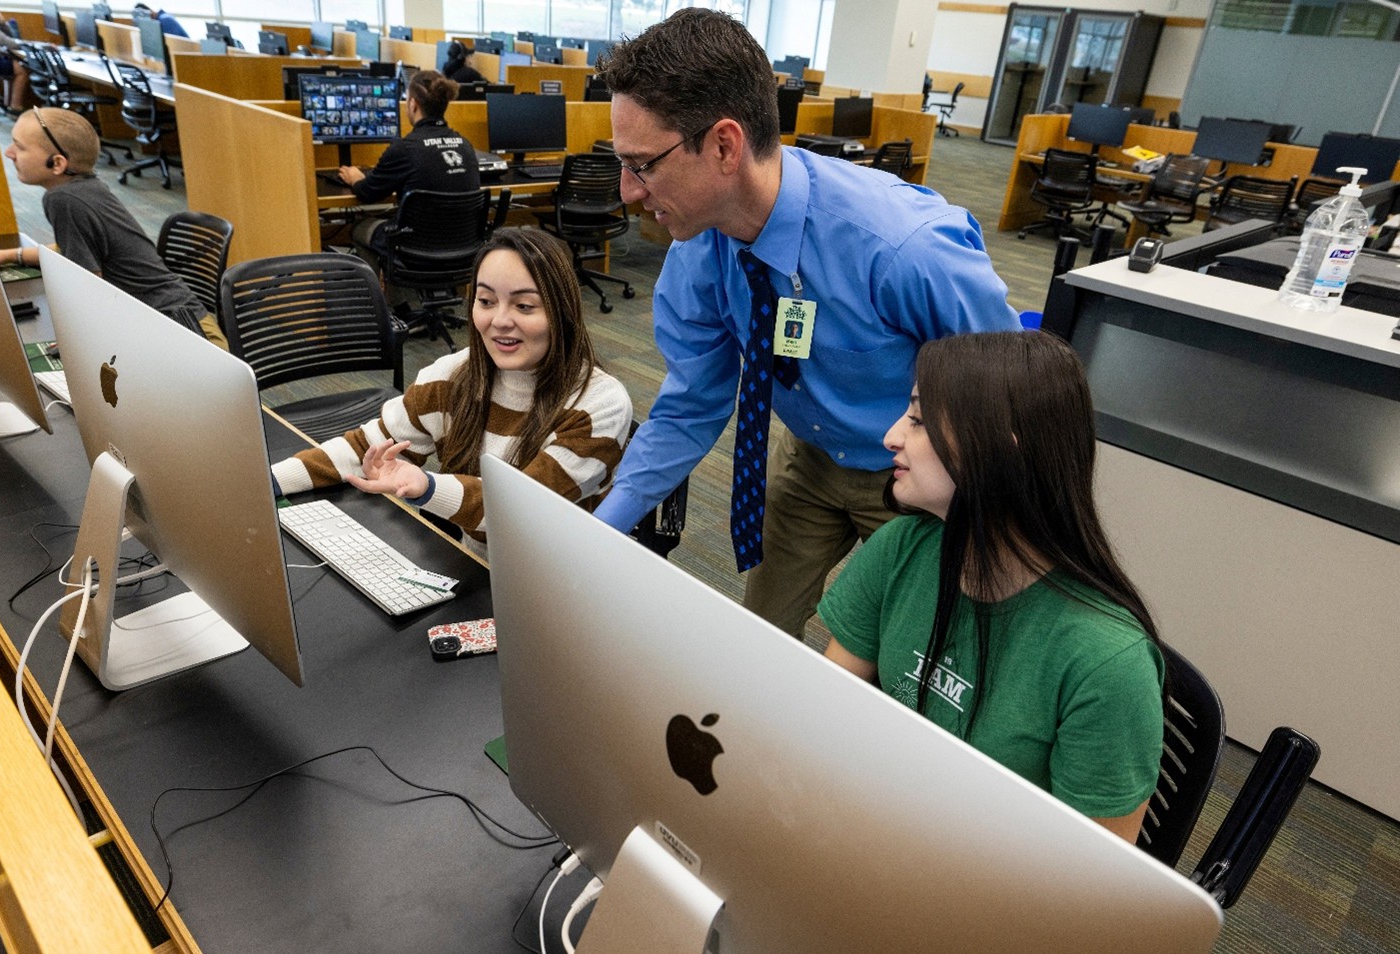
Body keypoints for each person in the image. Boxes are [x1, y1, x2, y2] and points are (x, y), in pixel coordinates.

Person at [592, 9, 1019, 637]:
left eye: (643, 165)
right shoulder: (698, 253)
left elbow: (1009, 399)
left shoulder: (902, 248)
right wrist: (601, 527)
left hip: (924, 476)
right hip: (811, 451)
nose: (628, 191)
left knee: (907, 662)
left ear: (724, 147)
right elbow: (690, 407)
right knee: (761, 640)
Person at [818, 331, 1165, 842]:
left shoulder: (1106, 662)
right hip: (885, 832)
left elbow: (1091, 889)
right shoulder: (903, 548)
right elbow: (824, 712)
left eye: (917, 420)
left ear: (998, 452)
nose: (892, 436)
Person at [270, 228, 633, 551]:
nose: (500, 321)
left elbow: (519, 513)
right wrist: (267, 482)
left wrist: (427, 486)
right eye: (486, 301)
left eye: (524, 306)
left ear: (563, 312)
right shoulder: (453, 375)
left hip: (558, 583)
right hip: (478, 567)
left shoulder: (599, 403)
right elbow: (365, 447)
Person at [0, 107, 227, 346]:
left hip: (189, 339)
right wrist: (10, 255)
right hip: (177, 323)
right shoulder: (86, 187)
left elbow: (87, 284)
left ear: (57, 163)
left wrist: (77, 340)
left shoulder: (63, 200)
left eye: (20, 147)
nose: (9, 152)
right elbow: (69, 251)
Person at [342, 70, 481, 276]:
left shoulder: (404, 148)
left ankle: (382, 299)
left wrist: (356, 178)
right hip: (462, 248)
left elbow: (368, 193)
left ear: (413, 104)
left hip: (413, 250)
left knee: (359, 228)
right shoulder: (466, 145)